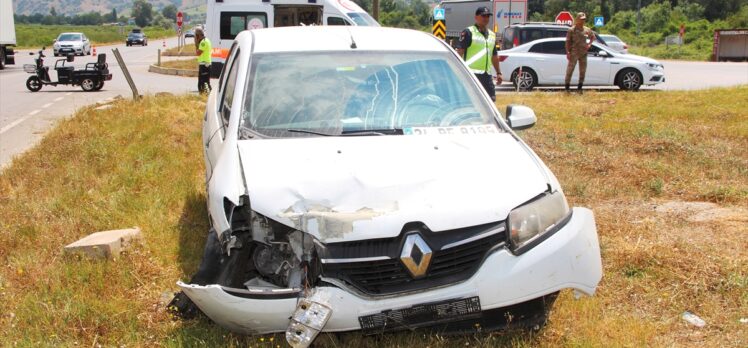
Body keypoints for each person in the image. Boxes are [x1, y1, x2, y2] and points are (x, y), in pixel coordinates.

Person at [455, 7, 502, 101]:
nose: (486, 18)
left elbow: (494, 56)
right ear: (476, 17)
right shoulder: (469, 32)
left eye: (488, 16)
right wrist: (456, 71)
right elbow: (459, 52)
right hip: (471, 74)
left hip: (487, 75)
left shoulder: (492, 35)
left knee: (491, 101)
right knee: (472, 101)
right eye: (483, 16)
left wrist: (498, 72)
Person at [565, 12, 596, 93]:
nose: (583, 21)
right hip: (574, 53)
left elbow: (593, 37)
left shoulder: (587, 30)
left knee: (582, 71)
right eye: (581, 19)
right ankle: (567, 88)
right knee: (570, 70)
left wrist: (589, 44)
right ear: (577, 19)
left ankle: (579, 88)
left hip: (583, 53)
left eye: (584, 19)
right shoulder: (571, 30)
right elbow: (567, 41)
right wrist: (568, 52)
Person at [195, 28, 212, 94]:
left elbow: (198, 53)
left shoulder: (203, 42)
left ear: (198, 35)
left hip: (204, 65)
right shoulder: (206, 40)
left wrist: (196, 44)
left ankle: (207, 96)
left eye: (196, 36)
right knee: (204, 82)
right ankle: (206, 95)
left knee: (203, 83)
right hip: (205, 64)